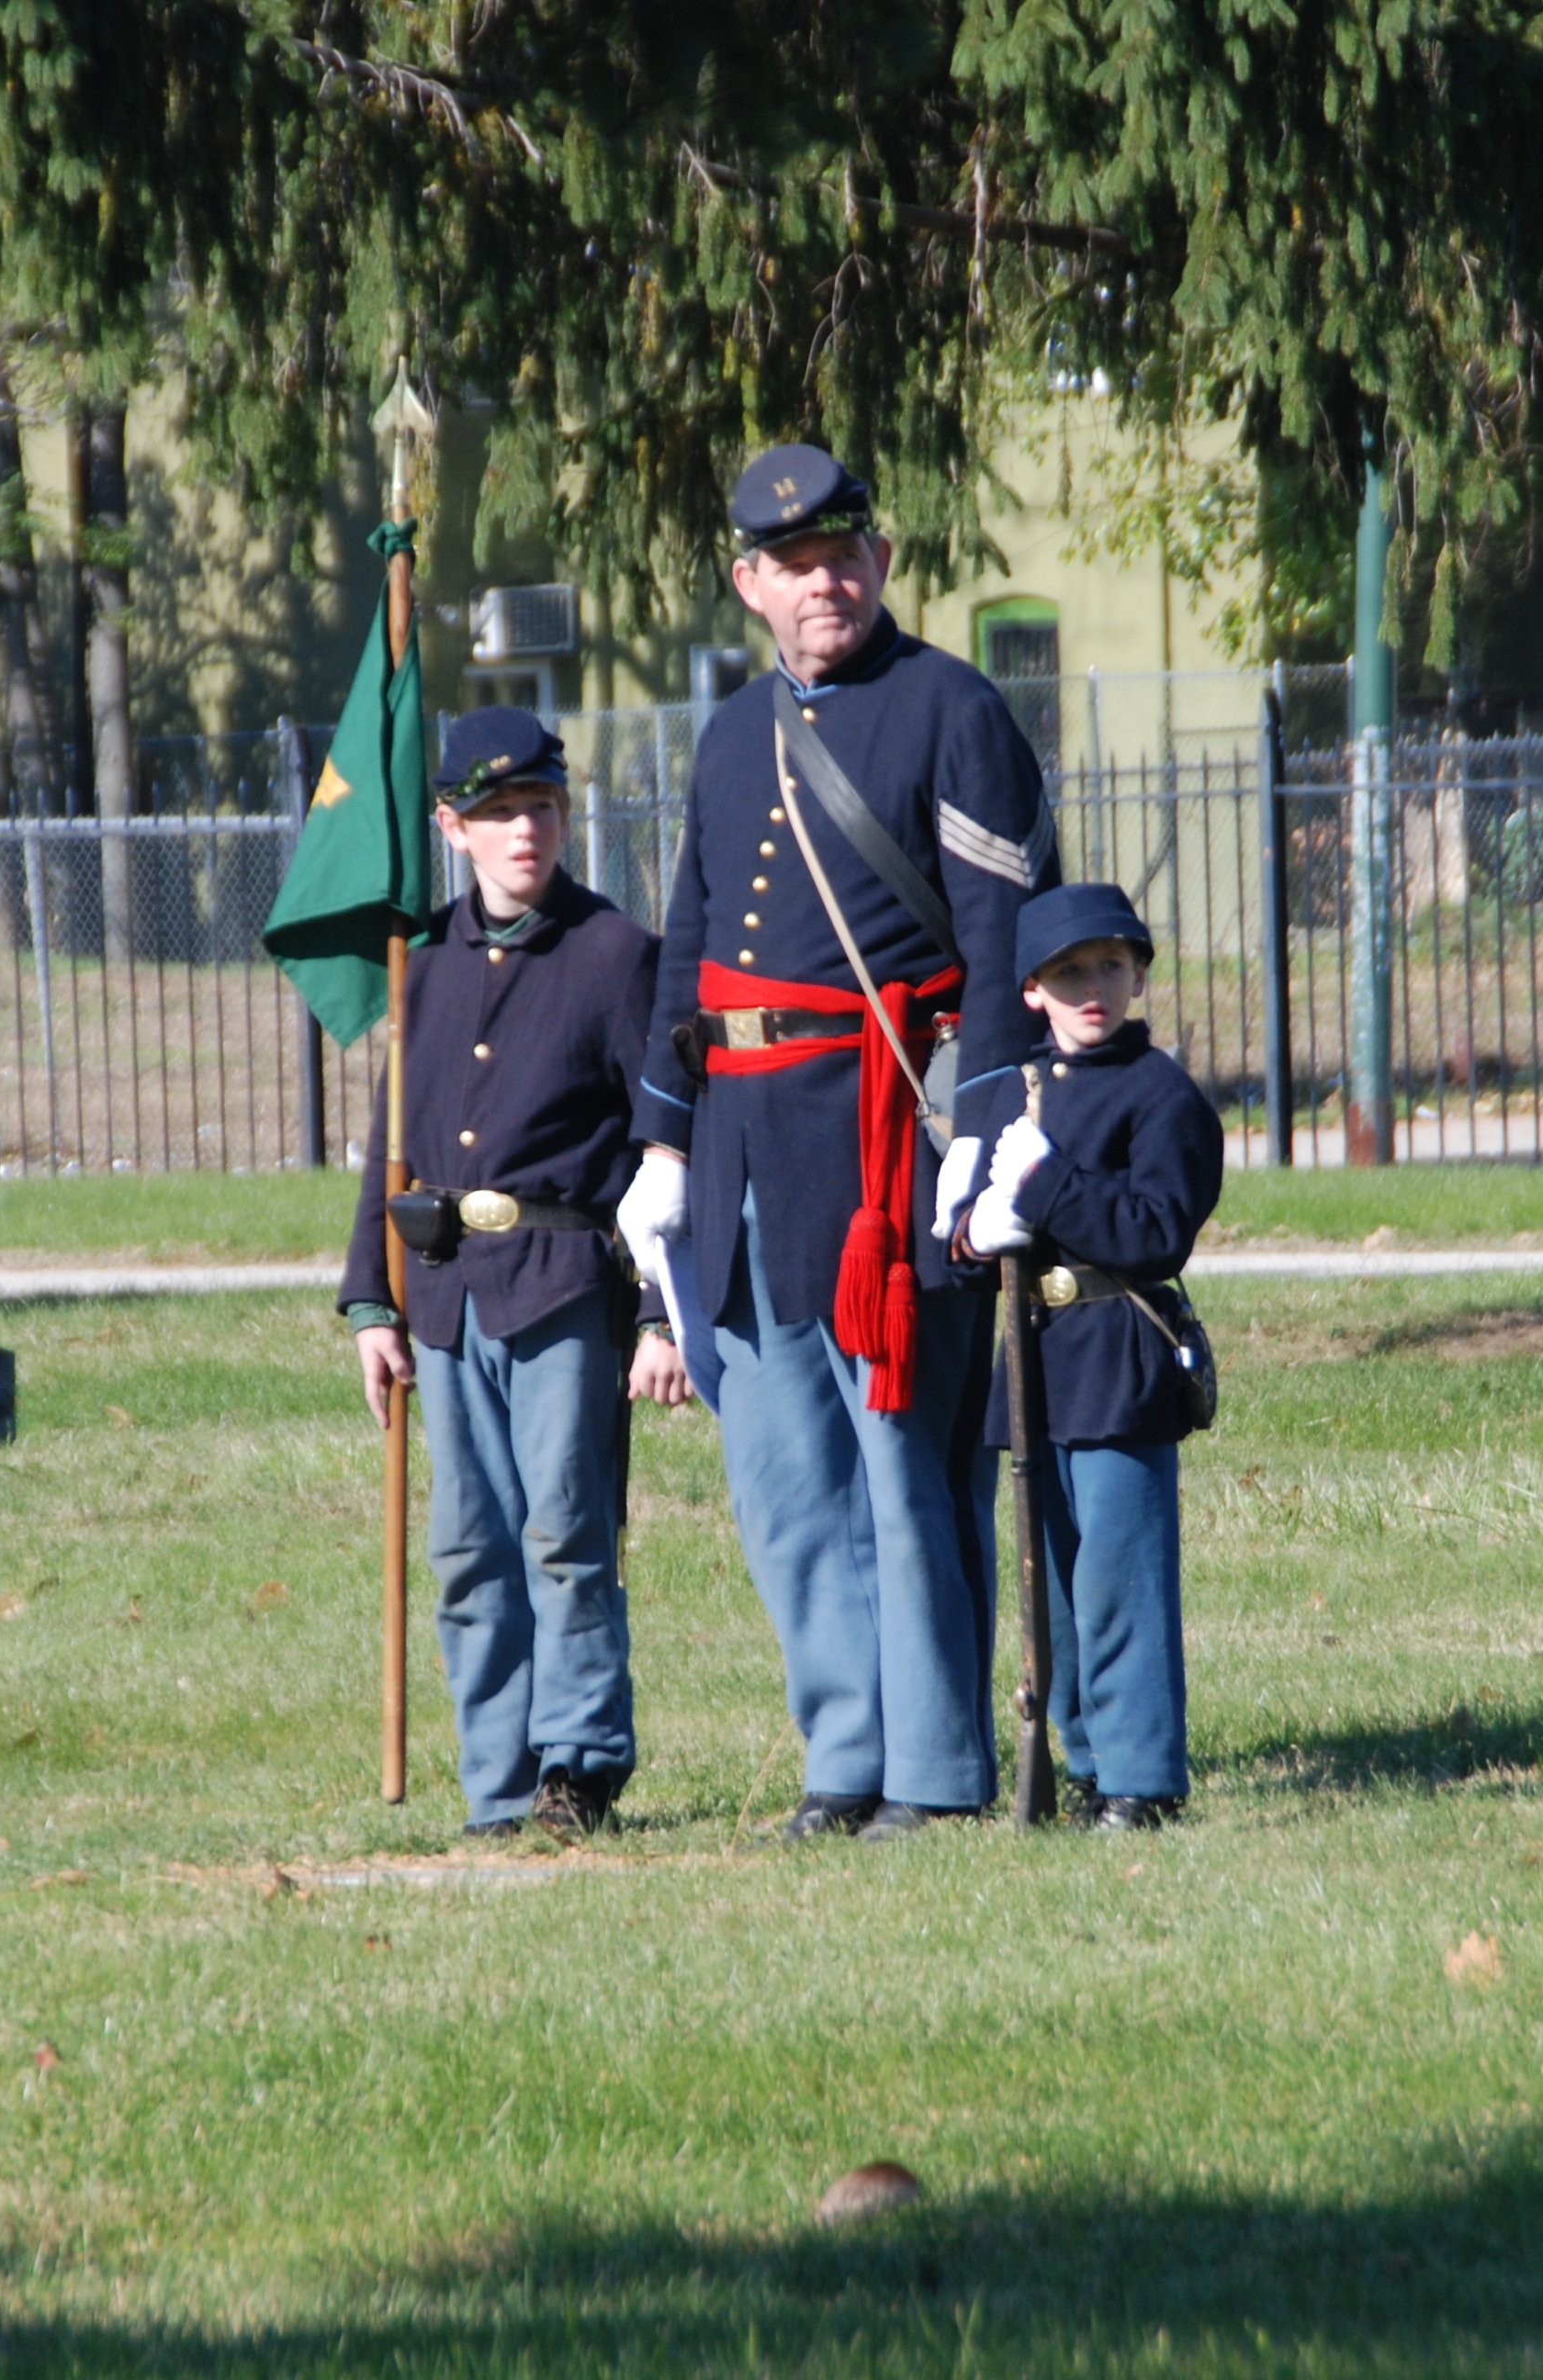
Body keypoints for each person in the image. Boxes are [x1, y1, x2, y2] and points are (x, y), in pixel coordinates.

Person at [616, 443, 1060, 1843]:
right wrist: (666, 1143)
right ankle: (846, 1755)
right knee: (787, 1483)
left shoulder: (953, 707)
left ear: (878, 559)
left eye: (846, 554)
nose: (828, 581)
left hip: (885, 1151)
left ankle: (934, 1770)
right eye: (795, 564)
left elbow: (1001, 949)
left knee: (901, 1472)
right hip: (746, 1146)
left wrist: (986, 1136)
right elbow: (690, 942)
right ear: (750, 582)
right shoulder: (731, 735)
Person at [341, 709, 691, 1843]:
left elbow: (661, 1147)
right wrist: (370, 1299)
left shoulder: (613, 955)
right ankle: (495, 1782)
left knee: (564, 1529)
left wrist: (655, 1310)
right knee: (467, 1547)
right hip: (444, 1295)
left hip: (562, 1287)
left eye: (539, 808)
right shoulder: (424, 968)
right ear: (452, 828)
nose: (523, 832)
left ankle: (577, 1764)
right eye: (496, 815)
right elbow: (390, 1147)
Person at [938, 884, 1222, 1829]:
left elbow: (1152, 1233)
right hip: (1035, 1362)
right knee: (1052, 1585)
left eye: (1108, 965)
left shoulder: (1161, 1096)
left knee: (1117, 1580)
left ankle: (1142, 1776)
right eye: (1067, 973)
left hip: (1119, 1356)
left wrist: (1045, 1186)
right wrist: (972, 1233)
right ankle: (1085, 1760)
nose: (1090, 987)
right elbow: (972, 1255)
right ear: (1031, 990)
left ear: (1139, 972)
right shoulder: (1010, 1094)